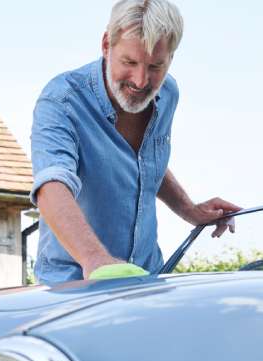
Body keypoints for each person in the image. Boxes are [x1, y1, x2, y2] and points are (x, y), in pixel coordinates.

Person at [30, 0, 241, 285]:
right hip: (74, 286)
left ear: (171, 58)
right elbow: (51, 186)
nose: (141, 81)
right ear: (107, 45)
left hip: (146, 279)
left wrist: (189, 209)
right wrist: (95, 260)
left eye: (155, 66)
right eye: (129, 62)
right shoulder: (62, 100)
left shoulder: (168, 94)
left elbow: (145, 160)